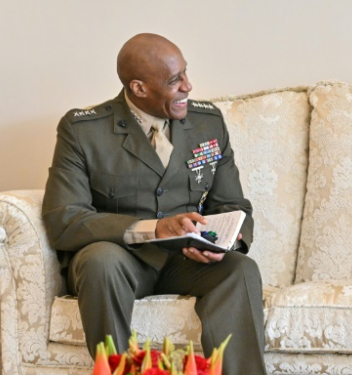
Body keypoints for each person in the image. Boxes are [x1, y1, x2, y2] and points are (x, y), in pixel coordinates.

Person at [42, 33, 266, 375]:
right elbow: (65, 219)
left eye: (186, 74)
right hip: (121, 261)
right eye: (175, 80)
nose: (188, 86)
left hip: (185, 260)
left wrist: (224, 241)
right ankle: (117, 371)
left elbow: (232, 204)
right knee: (99, 260)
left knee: (239, 269)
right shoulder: (83, 130)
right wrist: (155, 228)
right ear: (138, 88)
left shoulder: (208, 123)